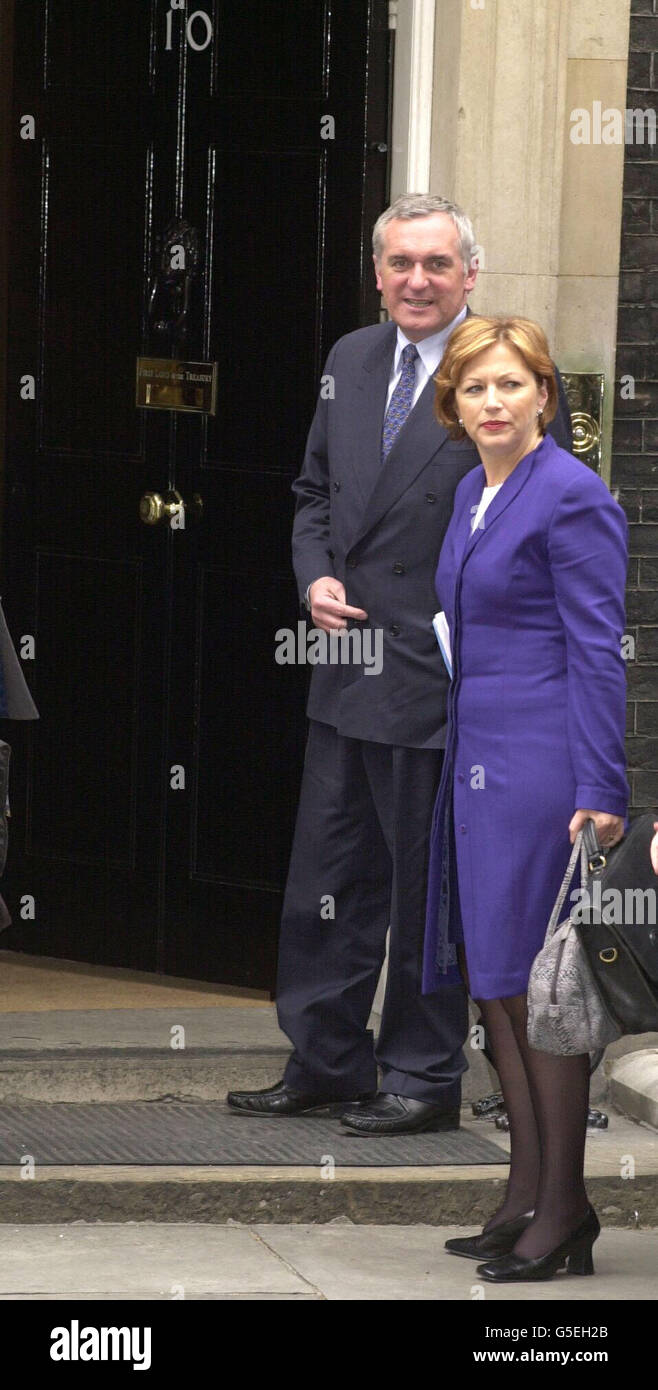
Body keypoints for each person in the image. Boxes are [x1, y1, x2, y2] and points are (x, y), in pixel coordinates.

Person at [228, 195, 572, 1134]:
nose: (417, 280)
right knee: (328, 876)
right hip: (344, 665)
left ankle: (422, 1078)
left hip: (442, 681)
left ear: (470, 275)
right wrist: (315, 581)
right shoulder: (351, 358)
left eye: (437, 264)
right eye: (400, 263)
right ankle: (326, 1058)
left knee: (430, 890)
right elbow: (311, 493)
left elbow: (535, 519)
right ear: (378, 274)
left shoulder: (501, 374)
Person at [425, 315, 628, 1280]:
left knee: (545, 995)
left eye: (511, 385)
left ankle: (568, 1215)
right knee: (498, 983)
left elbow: (598, 653)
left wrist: (601, 785)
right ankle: (524, 1193)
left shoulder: (573, 496)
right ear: (454, 405)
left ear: (545, 393)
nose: (494, 403)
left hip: (544, 771)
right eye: (475, 389)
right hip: (476, 761)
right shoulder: (473, 488)